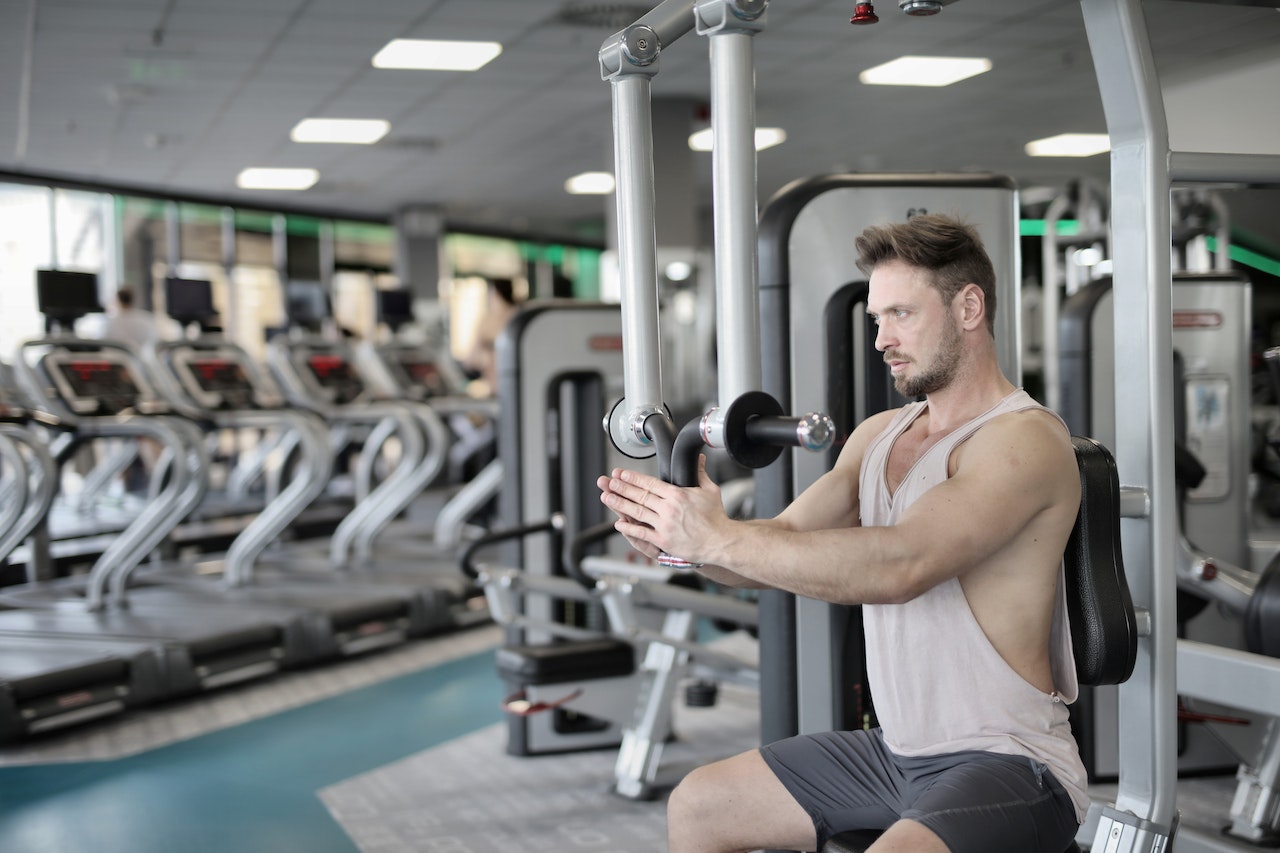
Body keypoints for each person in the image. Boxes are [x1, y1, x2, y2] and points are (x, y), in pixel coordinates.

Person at [597, 214, 1086, 853]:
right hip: (894, 755)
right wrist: (684, 542)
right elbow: (770, 549)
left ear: (969, 307)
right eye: (876, 318)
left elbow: (901, 566)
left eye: (901, 315)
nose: (882, 338)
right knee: (701, 805)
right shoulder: (877, 435)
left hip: (1010, 761)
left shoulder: (1023, 439)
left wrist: (715, 538)